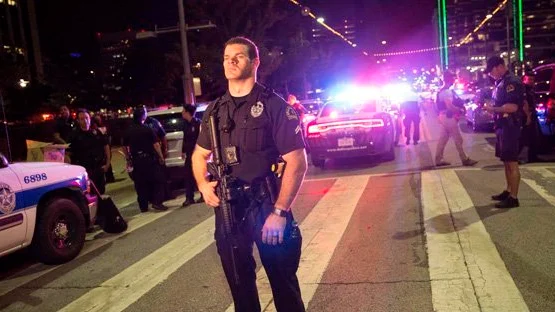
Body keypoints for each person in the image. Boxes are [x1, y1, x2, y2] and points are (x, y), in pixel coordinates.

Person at [192, 36, 307, 312]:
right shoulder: (215, 111)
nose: (230, 61)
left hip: (266, 204)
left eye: (238, 56)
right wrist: (204, 186)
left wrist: (280, 212)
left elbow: (297, 162)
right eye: (226, 57)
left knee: (283, 284)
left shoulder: (273, 106)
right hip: (230, 208)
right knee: (240, 286)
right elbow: (199, 154)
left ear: (255, 62)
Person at [484, 56, 525, 208]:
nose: (490, 74)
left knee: (512, 162)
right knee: (506, 161)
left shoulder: (511, 82)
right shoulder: (501, 82)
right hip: (502, 125)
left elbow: (512, 107)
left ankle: (514, 198)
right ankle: (508, 191)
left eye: (491, 71)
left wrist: (492, 109)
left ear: (499, 66)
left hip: (510, 126)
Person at [123, 106, 168, 212]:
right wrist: (161, 157)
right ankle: (157, 202)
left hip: (136, 160)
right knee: (159, 180)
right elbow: (156, 144)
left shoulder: (129, 130)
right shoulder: (147, 129)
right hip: (149, 160)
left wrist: (128, 158)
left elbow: (124, 146)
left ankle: (143, 206)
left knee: (140, 184)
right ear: (143, 115)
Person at [434, 71, 478, 167]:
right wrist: (460, 110)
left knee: (443, 139)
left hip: (444, 117)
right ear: (449, 79)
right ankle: (464, 159)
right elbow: (449, 106)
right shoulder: (446, 91)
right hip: (448, 117)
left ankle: (438, 159)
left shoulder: (443, 90)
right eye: (453, 78)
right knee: (458, 139)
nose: (454, 79)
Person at [67, 109, 111, 194]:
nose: (85, 121)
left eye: (87, 118)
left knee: (101, 192)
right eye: (82, 119)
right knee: (88, 195)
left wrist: (107, 163)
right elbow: (68, 154)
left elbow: (106, 146)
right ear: (78, 121)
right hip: (84, 171)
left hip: (99, 168)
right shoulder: (73, 135)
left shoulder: (97, 132)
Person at [181, 104, 202, 207]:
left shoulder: (197, 123)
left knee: (200, 174)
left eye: (183, 111)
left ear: (187, 112)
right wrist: (183, 151)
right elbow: (185, 139)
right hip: (189, 154)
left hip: (197, 154)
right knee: (188, 175)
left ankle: (203, 194)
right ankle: (189, 198)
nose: (182, 113)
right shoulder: (186, 124)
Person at [518, 71, 540, 163]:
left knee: (533, 137)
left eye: (533, 79)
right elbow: (524, 103)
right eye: (529, 79)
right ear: (524, 79)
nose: (531, 81)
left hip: (532, 114)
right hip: (526, 115)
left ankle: (533, 157)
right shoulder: (523, 89)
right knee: (524, 137)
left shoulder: (531, 89)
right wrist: (528, 116)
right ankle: (514, 157)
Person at [92, 114, 116, 183]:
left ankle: (110, 177)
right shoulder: (95, 129)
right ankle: (106, 177)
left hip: (107, 145)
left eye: (99, 119)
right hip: (101, 148)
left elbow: (108, 136)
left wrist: (109, 144)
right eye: (97, 120)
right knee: (103, 162)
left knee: (108, 161)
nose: (98, 121)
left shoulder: (104, 126)